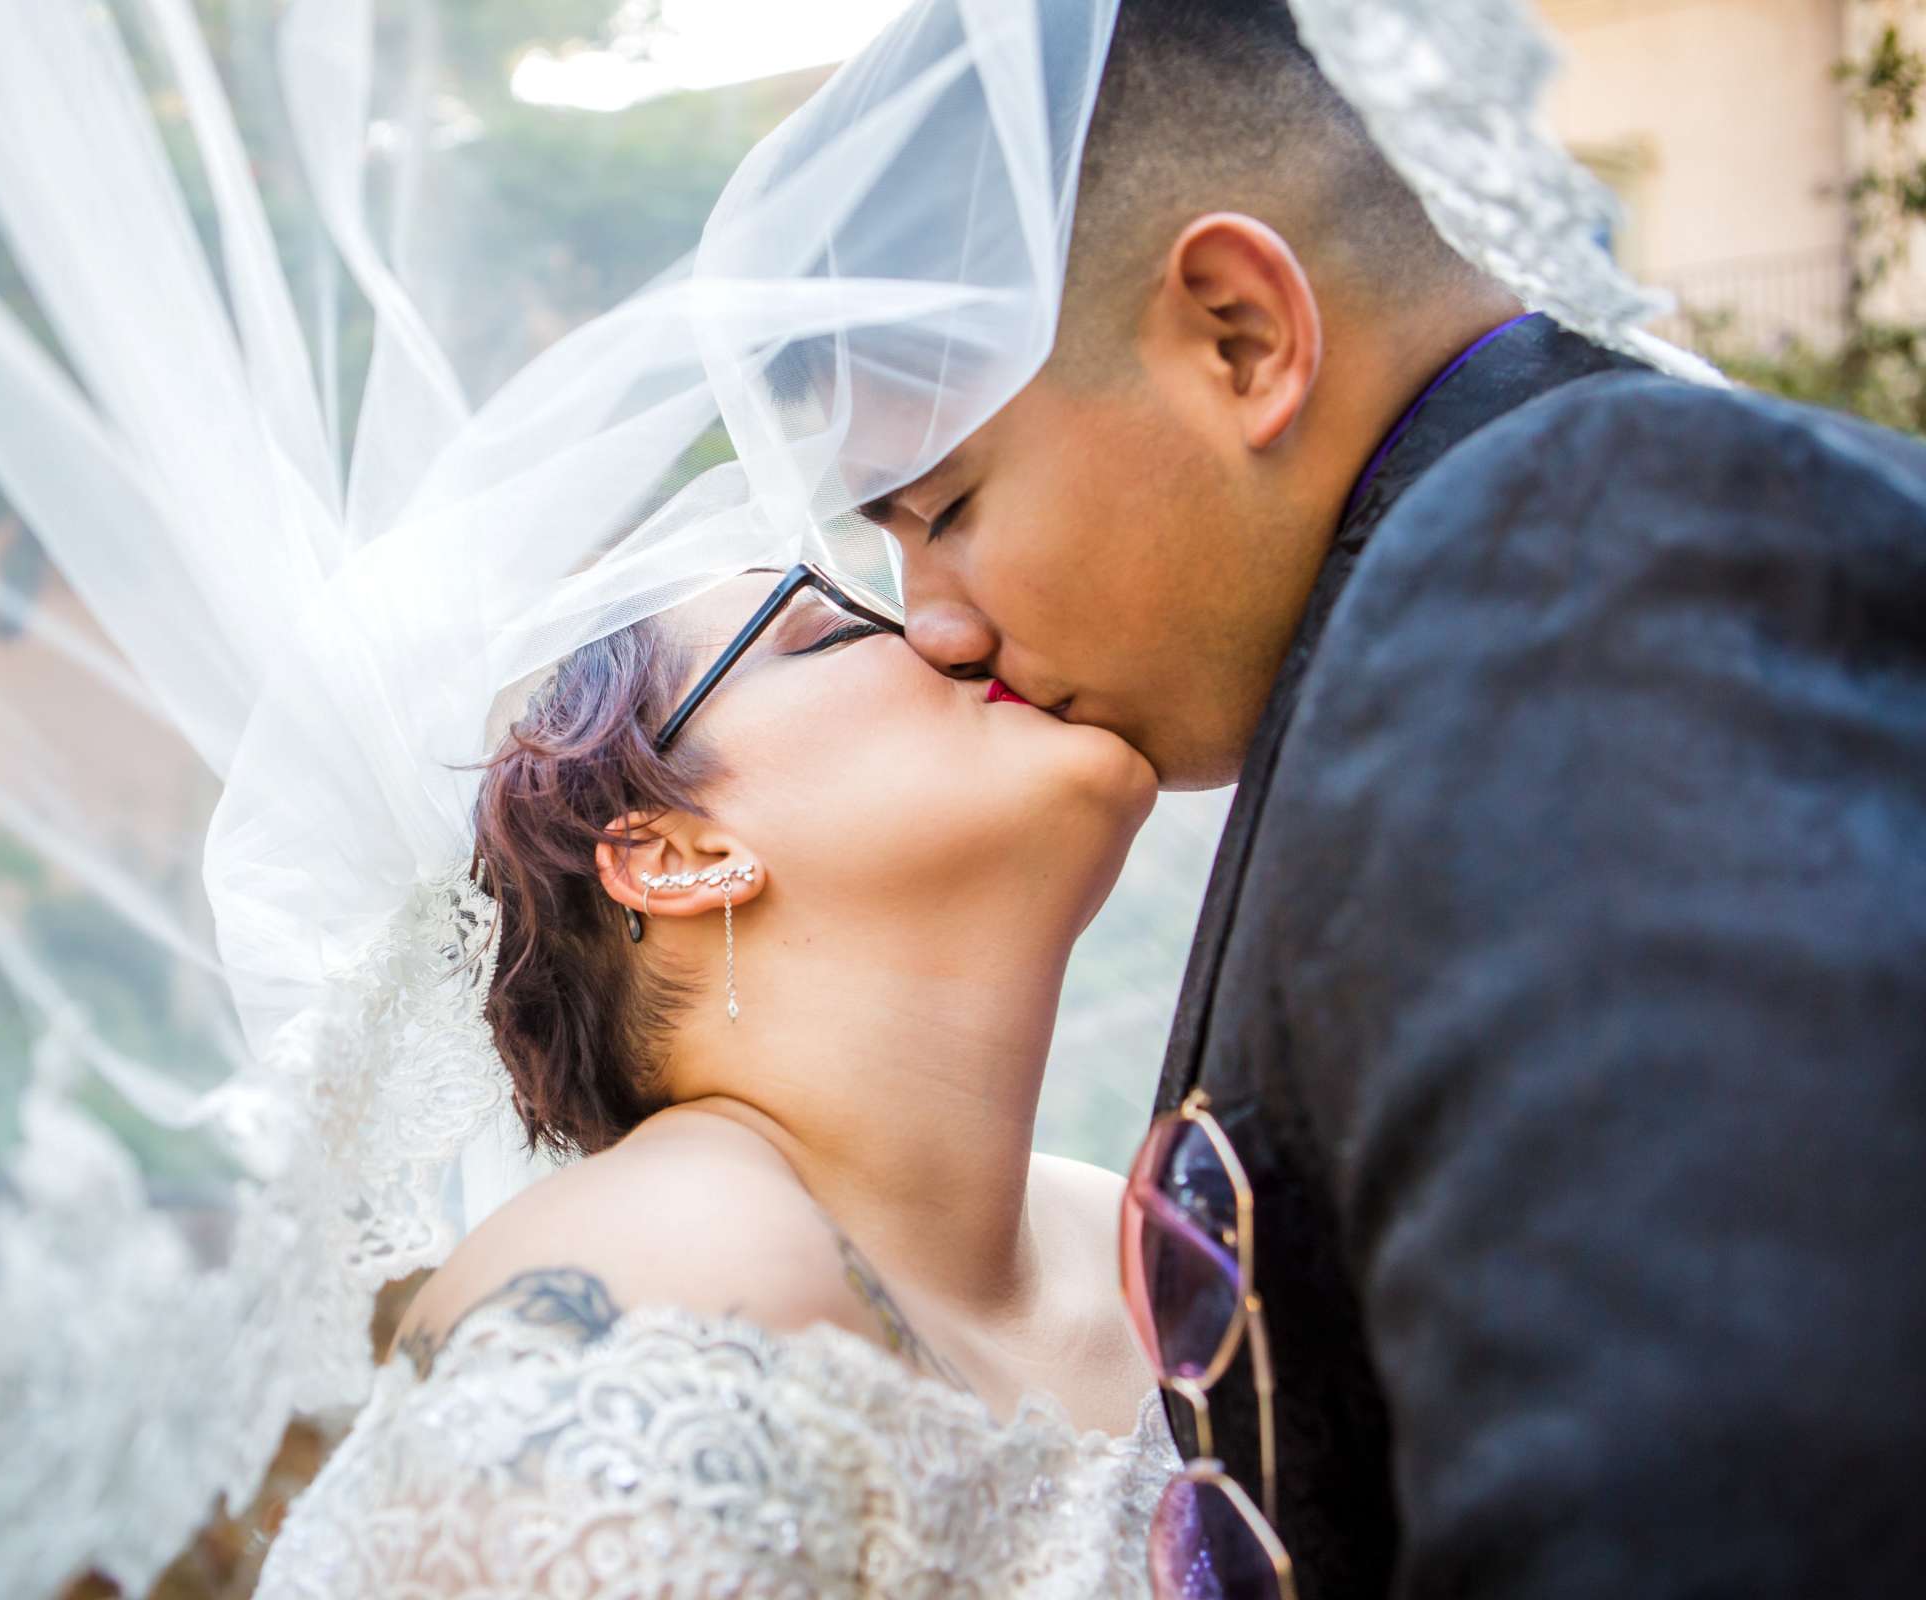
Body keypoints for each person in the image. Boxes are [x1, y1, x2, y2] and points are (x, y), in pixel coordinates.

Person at [858, 2, 1926, 1596]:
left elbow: (1719, 1489)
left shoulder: (1581, 556)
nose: (932, 624)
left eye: (947, 507)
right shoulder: (1482, 588)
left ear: (1241, 334)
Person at [254, 569, 1181, 1595]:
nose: (952, 634)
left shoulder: (1143, 1239)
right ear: (676, 856)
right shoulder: (659, 1274)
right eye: (830, 631)